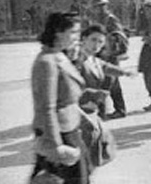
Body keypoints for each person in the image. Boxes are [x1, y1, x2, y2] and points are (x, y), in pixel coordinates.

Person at [30, 12, 91, 184]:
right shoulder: (46, 62)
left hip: (70, 128)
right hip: (60, 134)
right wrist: (56, 146)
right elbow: (46, 108)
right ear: (57, 31)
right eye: (73, 32)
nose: (77, 37)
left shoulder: (59, 55)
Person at [75, 24, 135, 118]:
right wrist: (92, 94)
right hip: (78, 111)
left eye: (100, 41)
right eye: (93, 39)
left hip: (91, 109)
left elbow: (105, 67)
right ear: (84, 39)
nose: (96, 45)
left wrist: (124, 72)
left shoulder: (93, 58)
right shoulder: (76, 59)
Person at [88, 0, 129, 120]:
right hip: (99, 54)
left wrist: (111, 48)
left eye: (100, 7)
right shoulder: (95, 20)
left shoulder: (111, 20)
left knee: (105, 83)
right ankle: (120, 110)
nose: (97, 10)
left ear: (105, 7)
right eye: (95, 7)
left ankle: (102, 112)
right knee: (113, 83)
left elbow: (120, 36)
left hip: (110, 55)